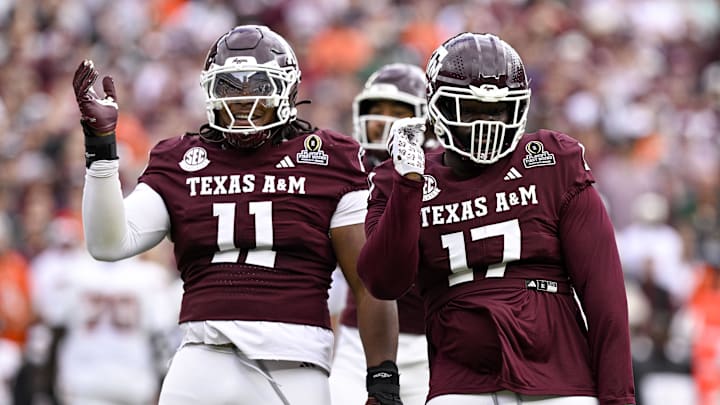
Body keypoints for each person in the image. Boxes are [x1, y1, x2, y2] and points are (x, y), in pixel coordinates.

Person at [72, 24, 401, 405]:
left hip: (292, 364)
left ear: (288, 89)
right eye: (229, 87)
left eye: (258, 86)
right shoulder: (181, 160)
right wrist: (101, 150)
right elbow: (108, 243)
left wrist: (381, 378)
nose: (242, 100)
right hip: (201, 357)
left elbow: (368, 281)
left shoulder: (330, 159)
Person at [357, 32, 636, 405]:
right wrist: (408, 183)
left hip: (559, 378)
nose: (486, 123)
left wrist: (618, 398)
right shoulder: (404, 176)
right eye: (470, 109)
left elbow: (605, 297)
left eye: (498, 111)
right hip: (461, 381)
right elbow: (383, 281)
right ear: (437, 108)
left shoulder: (552, 161)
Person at [330, 63, 431, 405]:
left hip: (432, 342)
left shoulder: (442, 175)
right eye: (377, 111)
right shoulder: (346, 173)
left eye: (398, 112)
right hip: (358, 341)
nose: (385, 122)